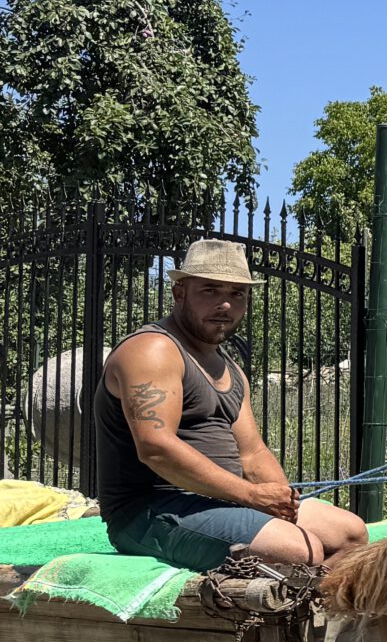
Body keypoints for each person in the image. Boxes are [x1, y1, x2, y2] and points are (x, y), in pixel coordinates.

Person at [94, 239, 370, 572]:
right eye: (210, 291)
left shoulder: (229, 368)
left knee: (352, 534)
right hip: (147, 512)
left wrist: (279, 500)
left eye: (237, 294)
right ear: (179, 292)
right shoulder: (153, 350)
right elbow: (156, 448)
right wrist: (252, 497)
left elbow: (252, 453)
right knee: (299, 550)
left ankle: (312, 615)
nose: (225, 305)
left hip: (220, 501)